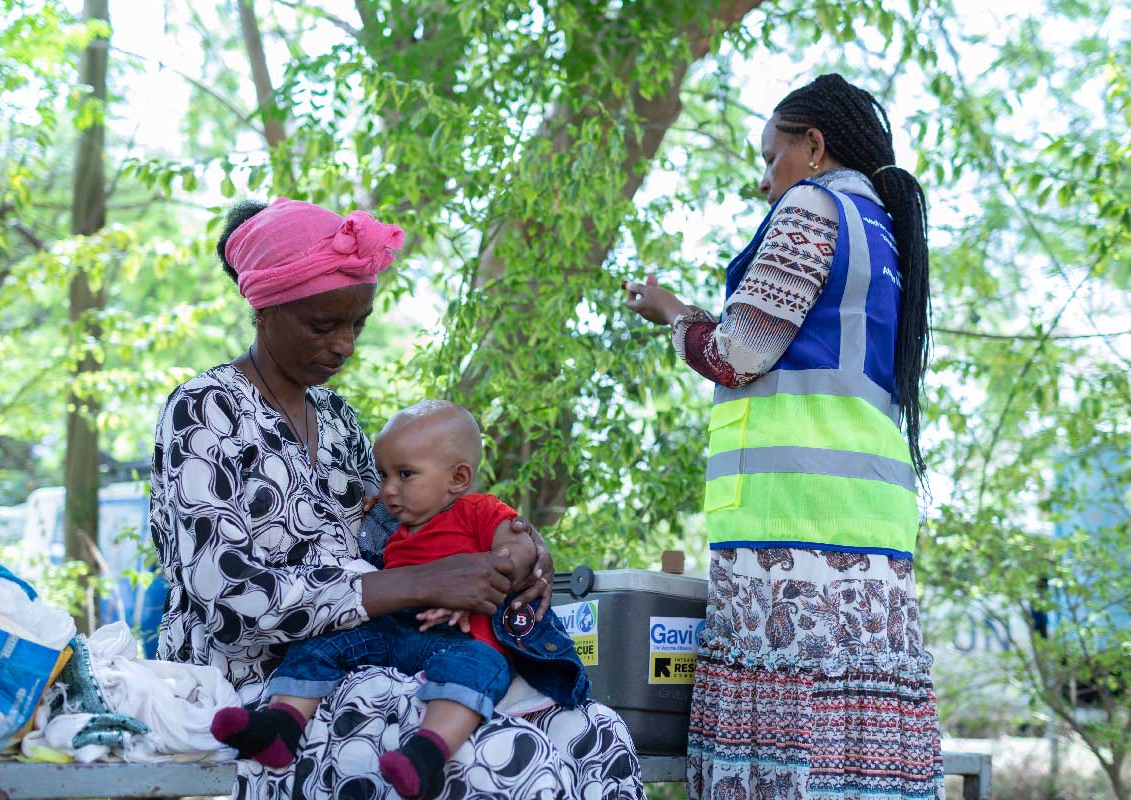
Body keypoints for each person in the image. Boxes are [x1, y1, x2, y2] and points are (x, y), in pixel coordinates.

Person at [150, 196, 642, 800]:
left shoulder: (336, 420)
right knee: (506, 762)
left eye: (356, 324)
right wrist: (424, 584)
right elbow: (227, 604)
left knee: (594, 733)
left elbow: (401, 527)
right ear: (263, 309)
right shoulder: (205, 412)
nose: (345, 346)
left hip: (376, 656)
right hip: (265, 687)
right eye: (323, 325)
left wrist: (515, 548)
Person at [624, 73, 944, 800]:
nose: (768, 181)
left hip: (792, 529)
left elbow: (738, 353)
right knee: (853, 754)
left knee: (782, 745)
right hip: (871, 527)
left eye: (773, 158)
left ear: (814, 145)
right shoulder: (885, 233)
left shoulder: (812, 206)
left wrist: (673, 313)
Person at [209, 400, 590, 800]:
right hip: (395, 632)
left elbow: (518, 549)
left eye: (405, 475)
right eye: (384, 475)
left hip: (460, 638)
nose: (389, 489)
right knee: (325, 639)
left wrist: (491, 574)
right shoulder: (392, 526)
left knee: (483, 666)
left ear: (458, 477)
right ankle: (281, 725)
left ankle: (426, 753)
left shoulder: (477, 510)